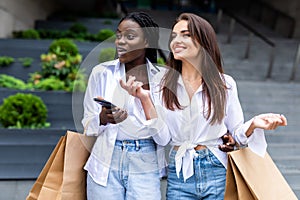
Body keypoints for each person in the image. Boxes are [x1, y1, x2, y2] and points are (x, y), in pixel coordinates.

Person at [120, 13, 287, 200]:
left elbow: (236, 133)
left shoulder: (224, 84)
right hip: (180, 172)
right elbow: (163, 138)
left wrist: (255, 124)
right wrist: (145, 99)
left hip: (216, 167)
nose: (176, 41)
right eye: (174, 36)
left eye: (185, 34)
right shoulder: (162, 85)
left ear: (203, 40)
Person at [82, 12, 169, 200]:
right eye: (118, 35)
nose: (120, 41)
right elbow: (87, 126)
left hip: (145, 161)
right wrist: (102, 118)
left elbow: (163, 138)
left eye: (130, 36)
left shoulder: (162, 80)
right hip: (106, 160)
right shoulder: (101, 73)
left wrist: (144, 100)